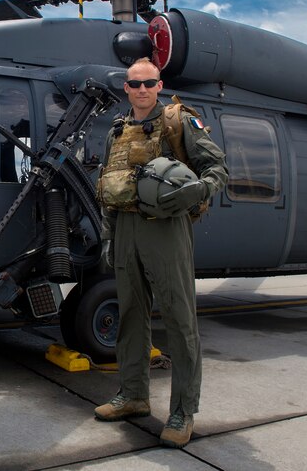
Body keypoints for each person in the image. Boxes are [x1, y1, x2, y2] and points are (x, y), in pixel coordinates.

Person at [93, 57, 227, 448]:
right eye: (135, 84)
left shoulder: (179, 120)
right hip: (126, 230)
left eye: (148, 83)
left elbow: (216, 166)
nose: (142, 90)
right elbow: (109, 185)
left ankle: (183, 411)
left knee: (179, 319)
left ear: (159, 84)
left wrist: (197, 192)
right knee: (131, 315)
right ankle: (133, 395)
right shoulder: (117, 130)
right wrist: (109, 235)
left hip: (166, 229)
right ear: (126, 88)